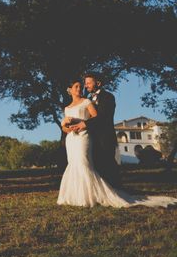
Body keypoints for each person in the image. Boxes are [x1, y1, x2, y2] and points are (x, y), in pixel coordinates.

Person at [57, 79, 176, 208]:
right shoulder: (67, 108)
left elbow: (96, 117)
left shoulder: (87, 101)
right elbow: (64, 128)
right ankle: (75, 195)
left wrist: (80, 122)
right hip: (71, 139)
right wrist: (65, 126)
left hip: (83, 137)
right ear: (70, 90)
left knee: (83, 163)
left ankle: (90, 196)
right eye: (76, 87)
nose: (80, 89)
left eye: (81, 86)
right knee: (73, 164)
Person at [72, 73, 120, 187]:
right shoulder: (87, 100)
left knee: (107, 165)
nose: (85, 86)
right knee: (95, 167)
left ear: (98, 83)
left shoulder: (108, 97)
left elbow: (103, 117)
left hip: (105, 137)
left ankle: (115, 191)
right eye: (85, 83)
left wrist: (84, 123)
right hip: (90, 138)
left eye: (88, 83)